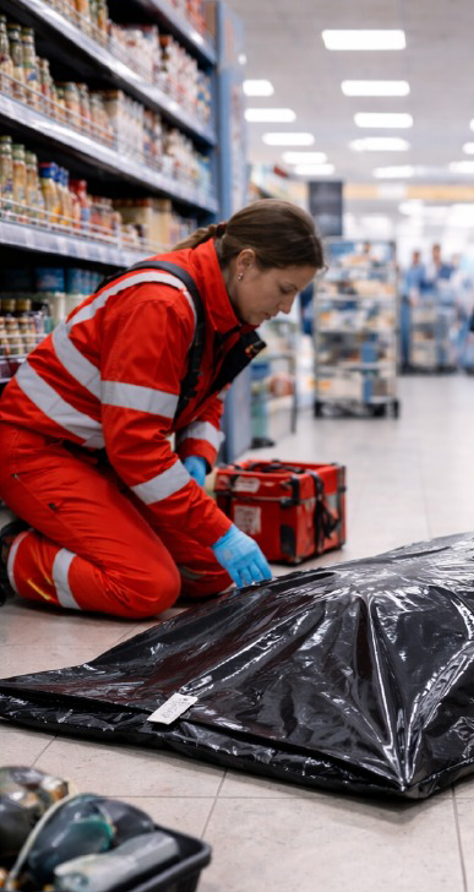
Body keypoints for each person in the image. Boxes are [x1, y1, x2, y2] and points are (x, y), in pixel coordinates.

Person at [0, 198, 324, 618]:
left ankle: (74, 530)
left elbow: (206, 399)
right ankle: (12, 551)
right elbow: (136, 447)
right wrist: (218, 528)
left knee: (210, 570)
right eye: (286, 290)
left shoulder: (223, 312)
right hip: (39, 451)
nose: (286, 308)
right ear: (245, 262)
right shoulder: (161, 305)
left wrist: (195, 457)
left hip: (99, 456)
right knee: (147, 587)